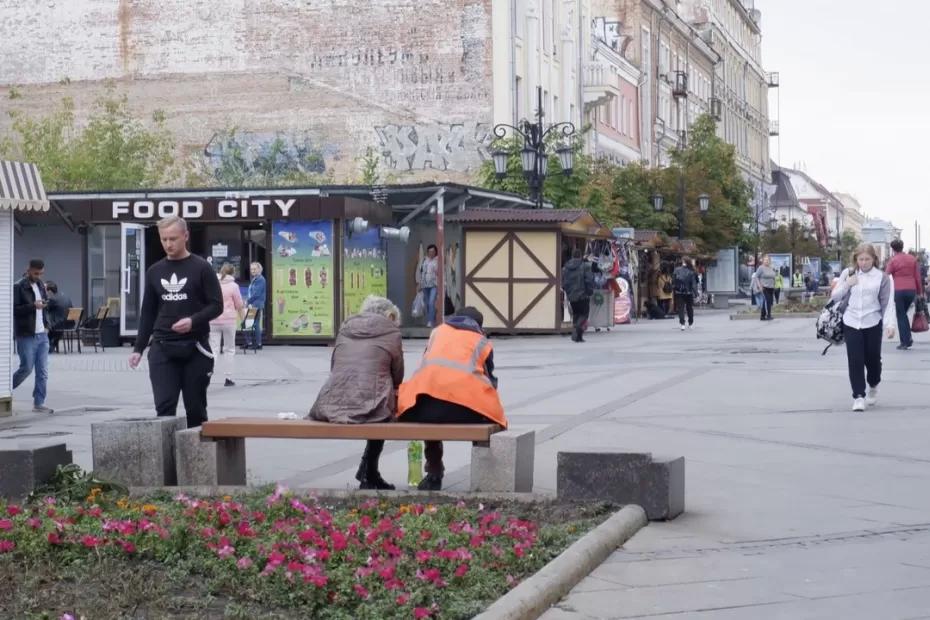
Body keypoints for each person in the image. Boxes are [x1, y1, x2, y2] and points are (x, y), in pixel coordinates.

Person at [129, 217, 223, 428]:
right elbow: (148, 312)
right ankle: (165, 458)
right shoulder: (155, 271)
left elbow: (217, 305)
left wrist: (193, 320)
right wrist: (138, 348)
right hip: (162, 346)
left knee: (195, 408)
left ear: (186, 236)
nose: (168, 244)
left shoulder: (201, 268)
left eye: (173, 238)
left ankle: (197, 457)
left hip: (195, 346)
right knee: (164, 408)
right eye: (164, 239)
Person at [397, 307, 505, 491]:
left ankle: (434, 472)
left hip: (425, 408)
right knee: (485, 408)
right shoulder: (481, 341)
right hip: (466, 410)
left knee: (431, 415)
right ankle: (485, 477)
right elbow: (490, 381)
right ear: (479, 326)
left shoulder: (437, 333)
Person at [308, 295, 404, 490]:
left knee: (376, 404)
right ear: (390, 316)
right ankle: (369, 471)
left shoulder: (345, 329)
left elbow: (335, 366)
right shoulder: (392, 333)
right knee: (381, 409)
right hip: (371, 404)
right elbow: (398, 375)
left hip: (330, 403)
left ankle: (368, 471)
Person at [831, 243, 895, 412]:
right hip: (851, 321)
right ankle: (858, 396)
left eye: (867, 259)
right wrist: (847, 284)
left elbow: (887, 303)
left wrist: (890, 324)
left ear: (874, 259)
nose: (864, 262)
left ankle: (873, 384)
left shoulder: (883, 278)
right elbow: (835, 296)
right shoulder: (848, 273)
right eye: (861, 259)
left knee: (873, 359)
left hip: (872, 321)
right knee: (855, 360)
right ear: (856, 259)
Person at [13, 259, 54, 413]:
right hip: (26, 334)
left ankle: (39, 403)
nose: (38, 276)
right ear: (28, 270)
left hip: (42, 334)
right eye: (36, 273)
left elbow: (44, 306)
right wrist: (33, 306)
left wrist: (47, 324)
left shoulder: (40, 285)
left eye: (41, 273)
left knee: (43, 371)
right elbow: (14, 310)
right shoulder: (19, 286)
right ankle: (4, 389)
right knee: (26, 368)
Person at [210, 263, 245, 387]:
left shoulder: (213, 283)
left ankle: (208, 374)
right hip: (229, 321)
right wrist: (243, 319)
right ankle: (228, 378)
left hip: (213, 320)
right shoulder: (234, 286)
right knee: (229, 349)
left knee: (213, 349)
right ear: (233, 273)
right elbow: (239, 305)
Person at [885, 239, 923, 350]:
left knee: (901, 315)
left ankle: (905, 341)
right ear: (902, 246)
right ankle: (908, 338)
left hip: (898, 290)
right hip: (911, 290)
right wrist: (920, 292)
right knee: (903, 314)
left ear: (892, 249)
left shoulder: (893, 260)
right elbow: (917, 277)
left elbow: (886, 275)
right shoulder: (912, 259)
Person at [561, 248, 595, 342]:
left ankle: (578, 337)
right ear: (580, 256)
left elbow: (563, 282)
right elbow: (589, 280)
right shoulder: (585, 266)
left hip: (571, 296)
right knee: (584, 314)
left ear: (572, 256)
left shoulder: (566, 267)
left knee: (576, 314)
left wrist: (567, 292)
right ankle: (577, 330)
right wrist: (590, 291)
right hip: (583, 295)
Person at [44, 281, 73, 353]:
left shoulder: (52, 299)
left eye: (44, 289)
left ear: (49, 291)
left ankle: (50, 346)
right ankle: (53, 343)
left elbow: (45, 309)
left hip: (58, 325)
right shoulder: (65, 296)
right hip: (69, 324)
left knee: (45, 322)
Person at [244, 262, 266, 350]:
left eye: (254, 269)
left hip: (256, 305)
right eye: (251, 269)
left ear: (259, 269)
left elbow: (256, 294)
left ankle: (257, 344)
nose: (252, 271)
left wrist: (247, 301)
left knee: (252, 324)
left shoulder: (260, 279)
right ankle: (251, 343)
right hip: (253, 304)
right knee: (248, 324)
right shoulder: (256, 279)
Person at [416, 244, 440, 328]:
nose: (431, 253)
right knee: (427, 304)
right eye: (430, 251)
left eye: (433, 251)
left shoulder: (438, 260)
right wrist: (419, 284)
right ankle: (432, 319)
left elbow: (440, 273)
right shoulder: (424, 260)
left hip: (434, 284)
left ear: (435, 252)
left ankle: (430, 321)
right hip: (425, 285)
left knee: (431, 302)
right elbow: (422, 272)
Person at [672, 258, 699, 331]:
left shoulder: (676, 270)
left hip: (679, 292)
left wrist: (674, 289)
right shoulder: (691, 271)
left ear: (683, 262)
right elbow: (694, 284)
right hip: (689, 292)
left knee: (681, 308)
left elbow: (673, 281)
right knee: (689, 308)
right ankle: (690, 323)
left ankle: (682, 324)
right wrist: (696, 294)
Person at [753, 256, 777, 320]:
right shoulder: (761, 268)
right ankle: (768, 315)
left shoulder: (771, 268)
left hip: (771, 287)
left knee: (767, 302)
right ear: (763, 261)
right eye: (765, 260)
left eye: (768, 260)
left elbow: (774, 277)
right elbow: (756, 277)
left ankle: (762, 316)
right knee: (767, 301)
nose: (767, 261)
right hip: (764, 287)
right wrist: (759, 286)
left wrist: (774, 285)